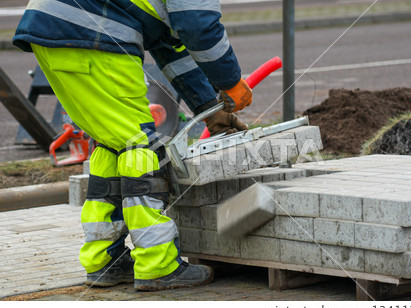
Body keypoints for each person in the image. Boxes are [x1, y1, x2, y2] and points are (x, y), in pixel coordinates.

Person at [13, 0, 252, 291]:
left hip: (55, 30)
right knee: (142, 147)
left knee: (114, 143)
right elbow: (198, 26)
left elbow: (170, 48)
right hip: (95, 35)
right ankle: (158, 265)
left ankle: (104, 260)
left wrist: (209, 108)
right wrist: (230, 81)